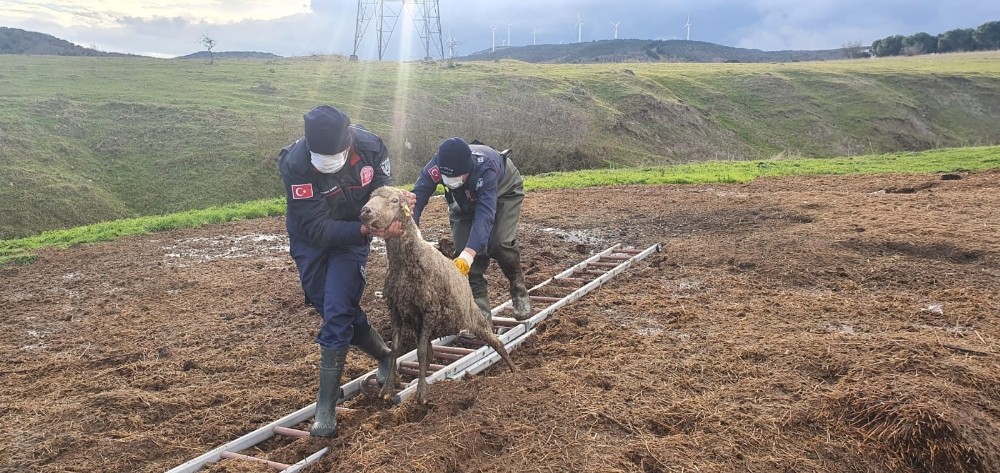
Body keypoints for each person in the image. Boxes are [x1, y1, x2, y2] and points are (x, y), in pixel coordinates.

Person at [278, 105, 413, 438]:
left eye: (333, 156)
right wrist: (366, 230)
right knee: (332, 307)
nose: (326, 162)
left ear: (348, 142)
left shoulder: (370, 148)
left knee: (338, 312)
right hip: (311, 239)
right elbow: (316, 226)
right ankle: (385, 355)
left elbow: (382, 189)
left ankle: (325, 408)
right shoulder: (295, 164)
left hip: (352, 238)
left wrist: (390, 208)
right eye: (319, 157)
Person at [411, 137, 532, 322]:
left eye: (456, 177)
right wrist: (413, 233)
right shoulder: (435, 168)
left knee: (500, 242)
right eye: (447, 178)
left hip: (503, 190)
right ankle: (480, 317)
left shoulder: (485, 169)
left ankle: (518, 286)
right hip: (464, 200)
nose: (451, 181)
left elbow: (485, 216)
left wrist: (470, 253)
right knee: (464, 254)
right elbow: (417, 199)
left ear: (467, 169)